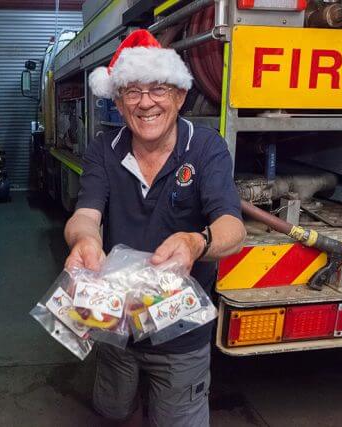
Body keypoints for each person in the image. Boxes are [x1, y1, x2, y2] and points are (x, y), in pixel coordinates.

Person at [63, 29, 246, 426]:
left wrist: (196, 242)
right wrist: (84, 240)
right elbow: (86, 214)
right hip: (114, 320)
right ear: (118, 101)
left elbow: (233, 227)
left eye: (158, 89)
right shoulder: (103, 149)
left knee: (176, 419)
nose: (146, 103)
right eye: (132, 91)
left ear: (179, 96)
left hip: (180, 331)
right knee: (113, 410)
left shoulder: (206, 147)